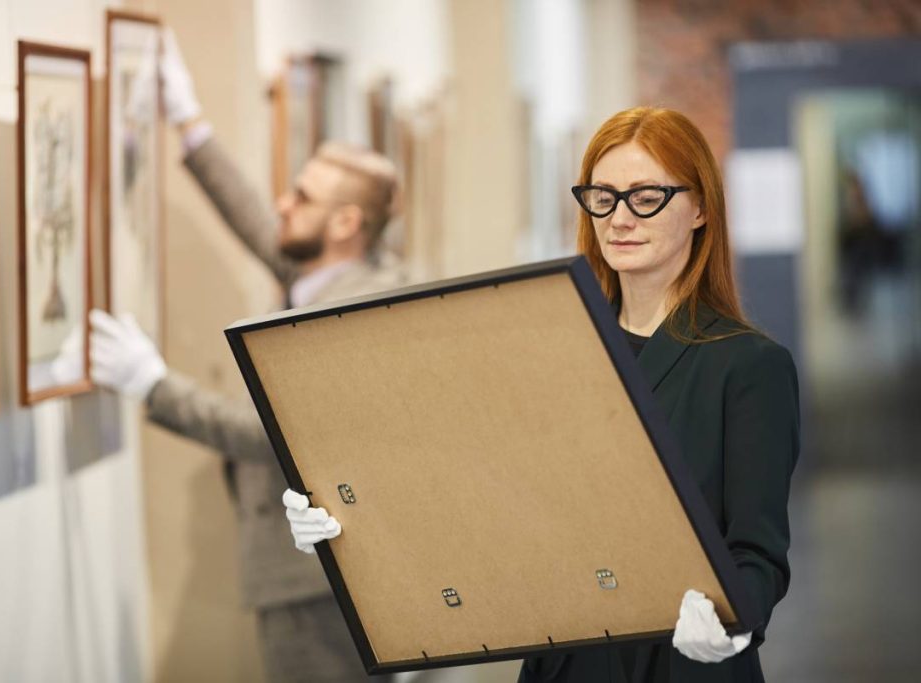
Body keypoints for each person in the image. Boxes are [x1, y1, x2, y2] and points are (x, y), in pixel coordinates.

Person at [284, 106, 800, 683]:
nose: (620, 218)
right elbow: (486, 502)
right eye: (602, 197)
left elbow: (759, 555)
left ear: (700, 207)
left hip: (682, 665)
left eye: (646, 196)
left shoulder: (749, 365)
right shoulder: (553, 346)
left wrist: (731, 621)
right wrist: (351, 525)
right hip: (566, 663)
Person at [89, 29, 406, 683]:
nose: (282, 205)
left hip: (317, 583)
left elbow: (273, 430)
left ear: (345, 224)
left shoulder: (354, 308)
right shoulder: (332, 276)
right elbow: (261, 224)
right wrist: (190, 122)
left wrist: (153, 384)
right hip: (309, 576)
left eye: (303, 196)